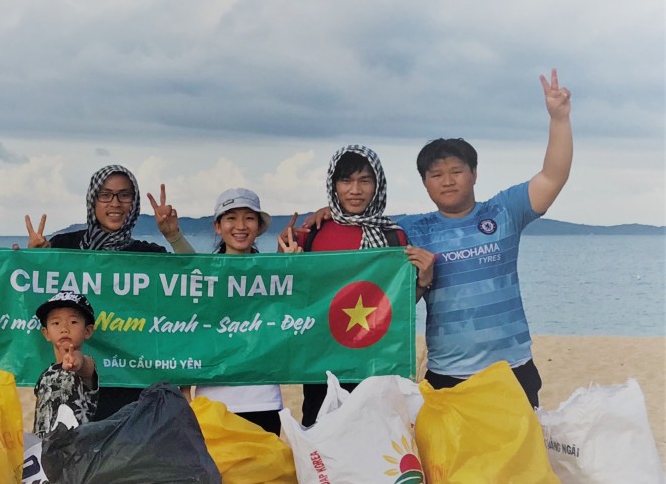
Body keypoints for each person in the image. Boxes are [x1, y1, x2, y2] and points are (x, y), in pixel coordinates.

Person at [396, 69, 572, 408]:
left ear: (474, 174)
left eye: (457, 171)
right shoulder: (412, 230)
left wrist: (559, 118)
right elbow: (376, 277)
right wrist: (326, 215)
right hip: (447, 376)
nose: (447, 181)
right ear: (425, 182)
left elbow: (553, 177)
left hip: (512, 370)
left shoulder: (505, 211)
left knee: (518, 460)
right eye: (436, 174)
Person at [278, 145, 434, 426]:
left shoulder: (393, 236)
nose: (355, 190)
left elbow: (394, 307)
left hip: (376, 365)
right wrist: (283, 261)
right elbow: (289, 298)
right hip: (322, 365)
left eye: (365, 181)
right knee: (321, 439)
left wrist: (423, 283)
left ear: (378, 185)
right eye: (346, 181)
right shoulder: (311, 233)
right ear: (333, 185)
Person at [25, 164, 195, 420]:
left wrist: (174, 236)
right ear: (92, 200)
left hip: (134, 386)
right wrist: (33, 258)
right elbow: (30, 288)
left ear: (134, 203)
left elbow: (193, 281)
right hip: (73, 387)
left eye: (124, 195)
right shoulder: (63, 248)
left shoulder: (148, 255)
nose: (115, 203)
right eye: (105, 195)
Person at [194, 188, 283, 435]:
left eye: (249, 218)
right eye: (231, 217)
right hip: (212, 401)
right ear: (218, 226)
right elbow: (187, 332)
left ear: (258, 227)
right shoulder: (202, 277)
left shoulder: (272, 274)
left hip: (264, 398)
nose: (240, 226)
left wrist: (291, 265)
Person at [32, 291, 99, 437]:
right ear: (46, 333)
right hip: (43, 452)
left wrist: (78, 362)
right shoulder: (45, 375)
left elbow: (86, 367)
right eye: (56, 323)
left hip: (76, 454)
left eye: (73, 322)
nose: (64, 329)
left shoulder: (84, 365)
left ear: (87, 331)